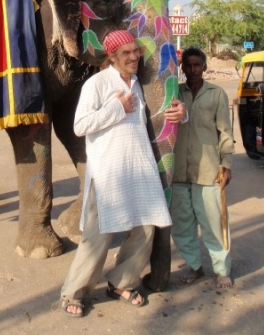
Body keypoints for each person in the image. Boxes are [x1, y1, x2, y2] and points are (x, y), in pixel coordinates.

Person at [60, 30, 186, 317]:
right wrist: (117, 108)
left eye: (135, 51)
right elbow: (80, 125)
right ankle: (73, 293)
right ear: (112, 56)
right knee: (98, 236)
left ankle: (121, 283)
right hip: (108, 172)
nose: (133, 57)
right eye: (126, 52)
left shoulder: (140, 84)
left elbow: (161, 113)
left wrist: (182, 111)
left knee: (145, 229)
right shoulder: (97, 83)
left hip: (140, 169)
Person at [171, 46, 235, 289]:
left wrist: (226, 164)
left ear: (205, 67)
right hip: (178, 172)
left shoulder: (216, 94)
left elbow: (225, 132)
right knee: (182, 225)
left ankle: (221, 270)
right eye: (188, 65)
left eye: (197, 65)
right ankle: (194, 266)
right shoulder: (175, 92)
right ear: (182, 68)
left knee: (214, 223)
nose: (192, 69)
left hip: (208, 170)